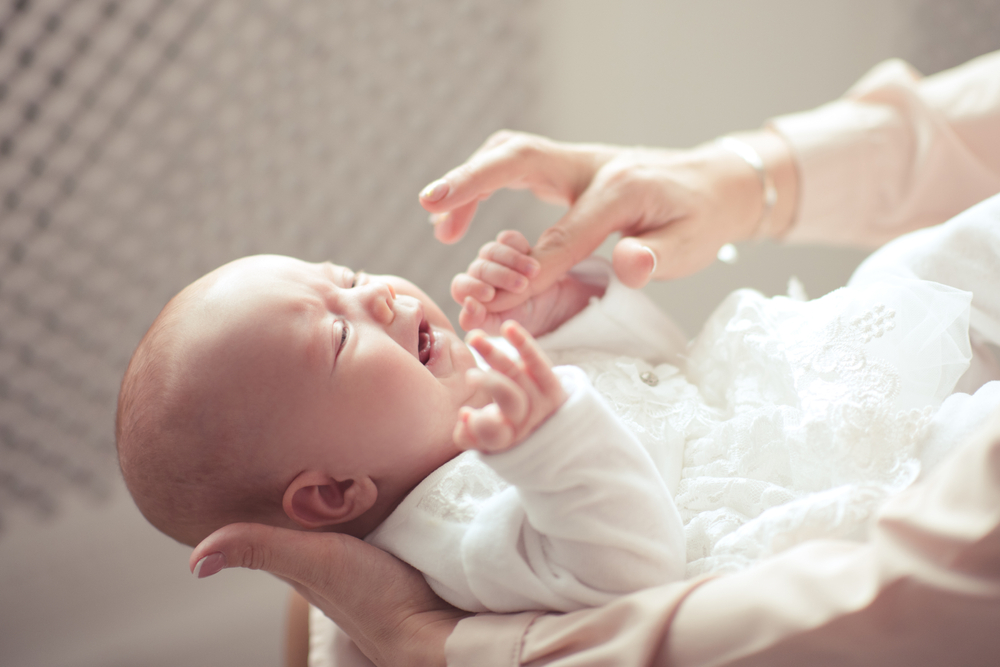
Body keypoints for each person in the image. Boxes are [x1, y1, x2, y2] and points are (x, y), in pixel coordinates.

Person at [191, 51, 1000, 666]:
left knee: (911, 272)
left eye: (352, 279)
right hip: (812, 478)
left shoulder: (500, 394)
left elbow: (665, 373)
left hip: (782, 391)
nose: (378, 299)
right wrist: (550, 439)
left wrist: (574, 309)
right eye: (339, 334)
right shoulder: (450, 531)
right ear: (334, 491)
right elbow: (628, 558)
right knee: (969, 436)